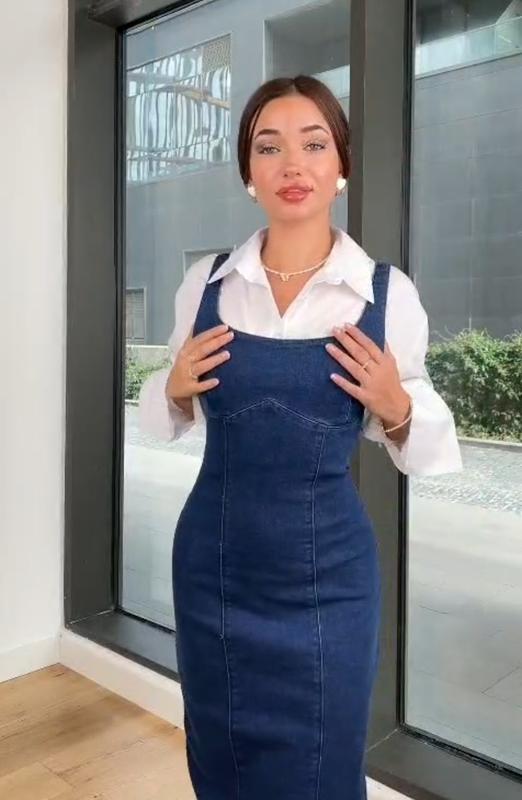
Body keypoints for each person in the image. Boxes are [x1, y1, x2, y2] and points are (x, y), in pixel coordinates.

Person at [139, 75, 462, 800]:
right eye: (269, 147)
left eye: (314, 144)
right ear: (247, 173)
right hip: (214, 572)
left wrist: (396, 403)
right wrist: (172, 385)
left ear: (341, 166)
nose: (293, 164)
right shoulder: (207, 284)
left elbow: (429, 451)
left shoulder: (385, 294)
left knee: (323, 768)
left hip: (330, 585)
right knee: (219, 757)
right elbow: (162, 419)